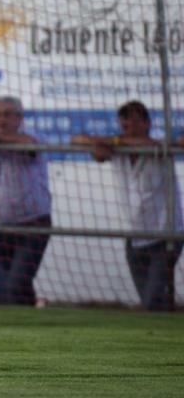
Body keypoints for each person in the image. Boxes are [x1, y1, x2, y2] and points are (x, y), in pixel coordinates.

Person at [72, 100, 180, 311]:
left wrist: (114, 141)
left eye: (135, 123)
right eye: (125, 124)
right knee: (150, 301)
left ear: (148, 124)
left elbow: (149, 145)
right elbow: (80, 141)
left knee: (153, 300)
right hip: (135, 237)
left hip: (166, 235)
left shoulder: (159, 149)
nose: (129, 128)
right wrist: (103, 144)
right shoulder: (117, 149)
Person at [0, 96, 51, 306]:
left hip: (33, 223)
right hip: (4, 224)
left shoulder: (31, 135)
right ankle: (34, 314)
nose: (1, 119)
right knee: (13, 288)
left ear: (19, 117)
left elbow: (30, 145)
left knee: (14, 286)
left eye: (7, 114)